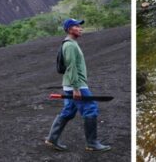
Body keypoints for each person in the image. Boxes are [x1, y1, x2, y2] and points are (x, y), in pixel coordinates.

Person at [45, 18, 111, 152]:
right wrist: (76, 88)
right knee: (91, 108)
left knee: (69, 111)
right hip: (77, 84)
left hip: (72, 84)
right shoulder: (69, 45)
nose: (81, 29)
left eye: (80, 27)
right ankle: (92, 143)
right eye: (77, 26)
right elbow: (71, 67)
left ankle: (52, 138)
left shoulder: (72, 43)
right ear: (70, 29)